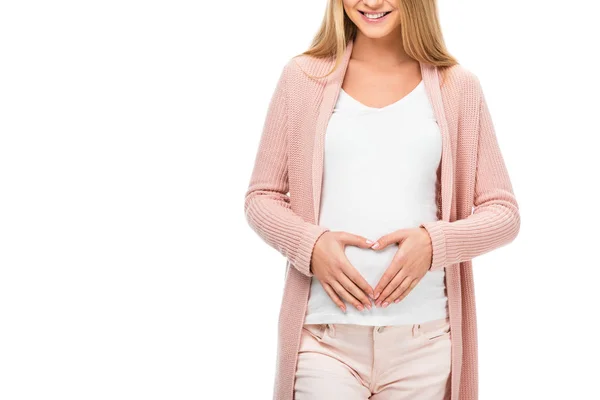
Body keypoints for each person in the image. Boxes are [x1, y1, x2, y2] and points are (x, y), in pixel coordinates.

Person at [244, 0, 520, 399]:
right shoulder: (302, 79)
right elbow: (261, 196)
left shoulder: (456, 87)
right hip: (325, 341)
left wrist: (433, 244)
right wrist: (311, 245)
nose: (371, 2)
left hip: (424, 344)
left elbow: (503, 212)